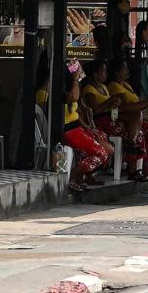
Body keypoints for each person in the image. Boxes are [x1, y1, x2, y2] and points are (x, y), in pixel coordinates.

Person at [39, 60, 111, 194]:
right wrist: (76, 79)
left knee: (105, 145)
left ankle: (81, 177)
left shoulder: (71, 87)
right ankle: (73, 177)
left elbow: (76, 113)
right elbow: (74, 97)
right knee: (100, 154)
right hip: (67, 130)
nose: (81, 73)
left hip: (77, 127)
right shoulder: (60, 90)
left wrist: (88, 128)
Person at [107, 54, 148, 177]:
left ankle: (147, 166)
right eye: (124, 69)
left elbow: (137, 105)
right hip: (125, 120)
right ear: (117, 72)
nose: (127, 71)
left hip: (135, 119)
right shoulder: (114, 86)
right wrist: (147, 102)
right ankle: (136, 168)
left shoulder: (126, 85)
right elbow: (125, 107)